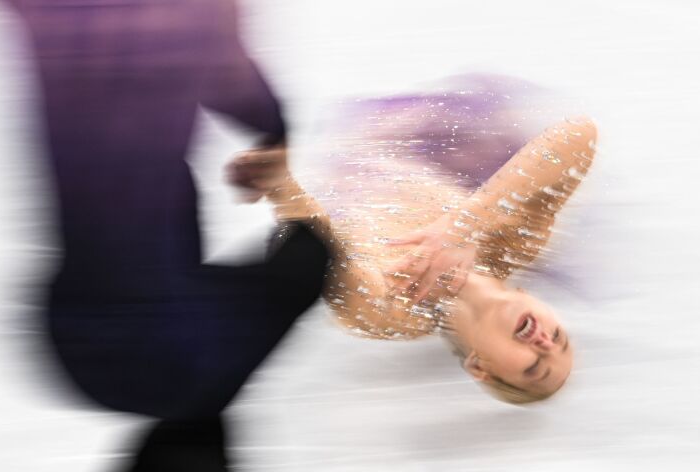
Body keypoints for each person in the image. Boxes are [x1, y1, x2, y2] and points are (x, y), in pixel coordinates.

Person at [6, 0, 330, 472]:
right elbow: (236, 86)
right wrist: (275, 137)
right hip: (164, 353)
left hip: (63, 337)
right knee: (312, 252)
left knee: (164, 203)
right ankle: (185, 461)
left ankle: (183, 462)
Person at [229, 84, 598, 403]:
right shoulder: (514, 243)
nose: (545, 344)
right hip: (388, 129)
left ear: (479, 367)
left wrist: (277, 182)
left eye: (534, 368)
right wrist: (463, 226)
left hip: (313, 147)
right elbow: (580, 135)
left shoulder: (393, 314)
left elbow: (320, 255)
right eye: (559, 337)